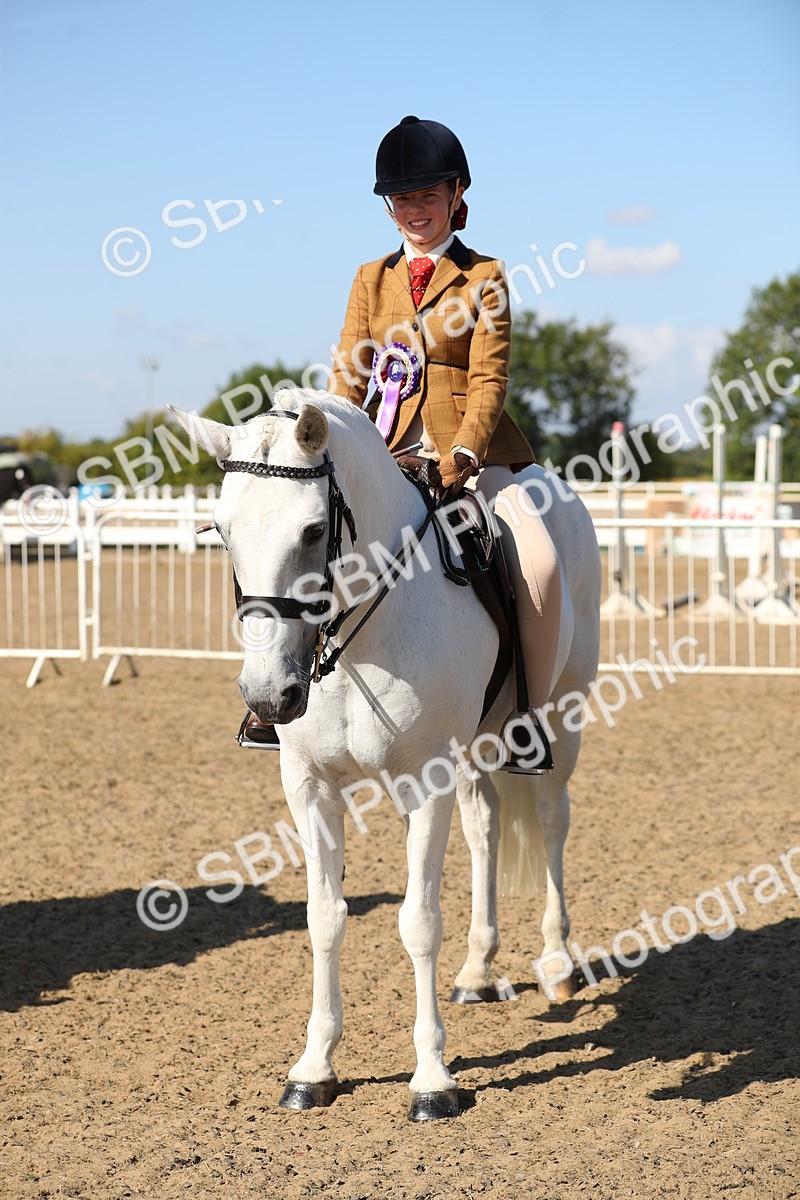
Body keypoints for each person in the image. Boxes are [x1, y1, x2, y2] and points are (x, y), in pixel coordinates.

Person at [240, 116, 562, 774]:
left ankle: (526, 715)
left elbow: (489, 375)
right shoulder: (370, 279)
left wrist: (466, 451)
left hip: (469, 455)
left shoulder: (485, 277)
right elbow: (347, 374)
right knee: (294, 545)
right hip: (380, 453)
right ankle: (272, 699)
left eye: (426, 197)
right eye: (401, 201)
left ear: (456, 195)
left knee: (540, 562)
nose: (414, 211)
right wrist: (325, 437)